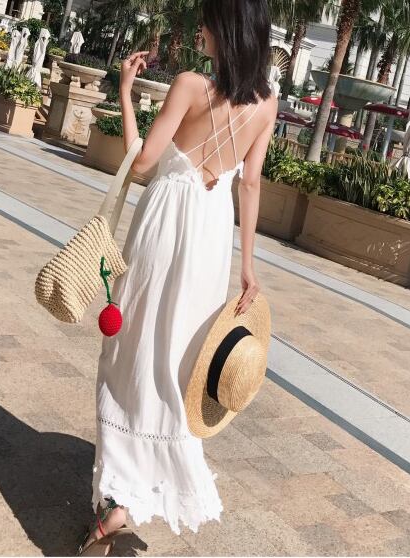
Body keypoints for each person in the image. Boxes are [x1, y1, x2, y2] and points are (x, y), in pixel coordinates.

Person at [78, 0, 277, 554]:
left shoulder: (190, 85)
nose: (202, 30)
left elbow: (141, 163)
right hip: (212, 235)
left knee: (131, 349)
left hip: (166, 219)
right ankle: (140, 485)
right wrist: (248, 266)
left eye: (208, 22)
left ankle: (118, 500)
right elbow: (251, 184)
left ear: (226, 30)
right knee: (180, 359)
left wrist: (125, 91)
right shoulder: (267, 103)